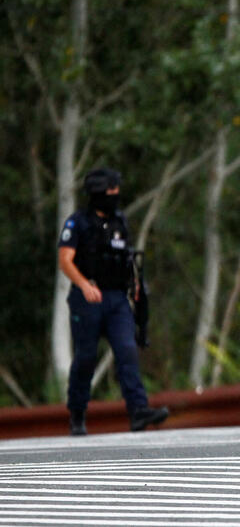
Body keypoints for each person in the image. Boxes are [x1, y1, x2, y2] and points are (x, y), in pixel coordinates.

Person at [57, 168, 169, 436]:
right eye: (111, 191)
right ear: (97, 193)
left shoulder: (120, 221)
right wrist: (84, 285)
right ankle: (77, 413)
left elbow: (126, 258)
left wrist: (135, 286)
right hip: (88, 297)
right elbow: (65, 260)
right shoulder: (78, 223)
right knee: (86, 357)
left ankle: (138, 410)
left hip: (117, 298)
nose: (115, 196)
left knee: (127, 350)